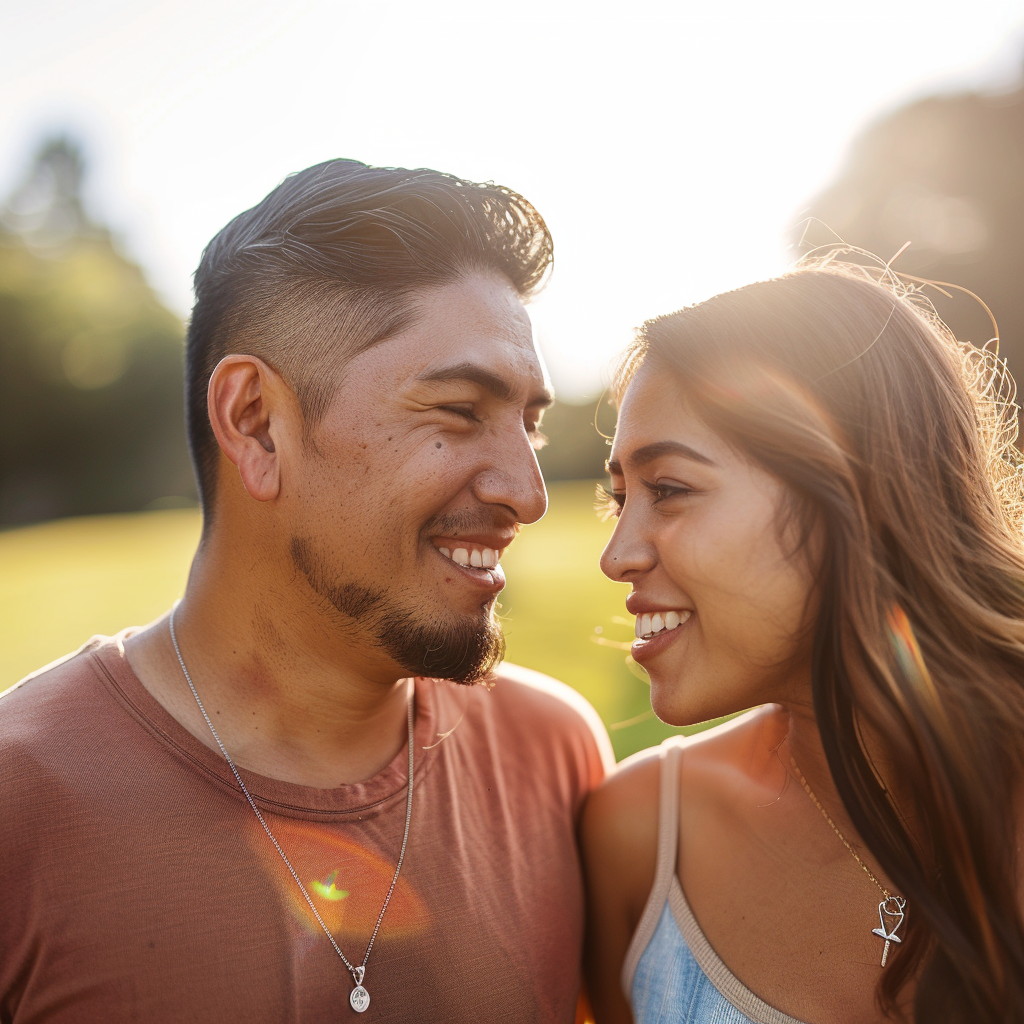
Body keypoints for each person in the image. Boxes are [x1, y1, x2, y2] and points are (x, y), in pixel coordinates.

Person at [0, 159, 613, 1023]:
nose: (527, 492)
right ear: (255, 422)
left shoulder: (555, 759)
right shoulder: (19, 800)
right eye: (457, 410)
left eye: (531, 425)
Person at [581, 261, 1024, 1024]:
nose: (617, 555)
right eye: (619, 499)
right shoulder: (642, 837)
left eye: (670, 490)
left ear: (849, 485)